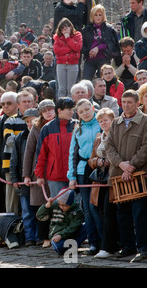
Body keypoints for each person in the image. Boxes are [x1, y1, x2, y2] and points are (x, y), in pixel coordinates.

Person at [105, 90, 147, 262]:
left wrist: (131, 167)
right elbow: (109, 147)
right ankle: (128, 247)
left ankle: (143, 248)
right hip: (118, 176)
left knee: (140, 213)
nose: (126, 105)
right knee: (122, 213)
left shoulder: (145, 121)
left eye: (130, 102)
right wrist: (121, 165)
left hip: (139, 175)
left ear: (137, 103)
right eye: (124, 101)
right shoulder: (116, 122)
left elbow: (146, 147)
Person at [67, 99, 102, 255]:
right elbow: (72, 154)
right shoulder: (77, 130)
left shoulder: (100, 124)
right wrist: (72, 176)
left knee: (98, 207)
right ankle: (93, 243)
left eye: (87, 109)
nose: (85, 113)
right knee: (87, 209)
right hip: (83, 170)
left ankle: (106, 241)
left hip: (99, 167)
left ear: (93, 108)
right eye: (81, 112)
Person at [22, 99, 56, 248]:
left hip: (57, 170)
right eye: (45, 110)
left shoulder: (62, 124)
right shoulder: (36, 128)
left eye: (50, 109)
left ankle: (57, 234)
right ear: (41, 113)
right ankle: (43, 237)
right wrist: (27, 174)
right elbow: (29, 152)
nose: (48, 112)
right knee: (42, 207)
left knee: (57, 204)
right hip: (40, 172)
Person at [88, 108, 120, 259]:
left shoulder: (118, 136)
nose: (103, 123)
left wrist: (111, 161)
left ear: (113, 120)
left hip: (114, 179)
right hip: (100, 179)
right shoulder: (98, 138)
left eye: (105, 120)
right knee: (100, 210)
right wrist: (98, 161)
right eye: (100, 121)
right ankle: (108, 244)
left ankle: (108, 246)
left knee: (110, 212)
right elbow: (90, 159)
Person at [35, 97, 77, 198]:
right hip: (55, 177)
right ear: (59, 110)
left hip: (75, 175)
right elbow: (40, 154)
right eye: (69, 109)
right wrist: (39, 175)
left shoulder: (77, 125)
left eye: (72, 109)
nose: (72, 112)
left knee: (76, 208)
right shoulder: (47, 128)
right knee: (58, 207)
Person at [9, 108, 39, 246]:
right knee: (27, 212)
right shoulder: (20, 137)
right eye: (27, 121)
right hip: (24, 181)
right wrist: (15, 178)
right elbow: (14, 159)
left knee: (40, 211)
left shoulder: (42, 134)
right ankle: (29, 238)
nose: (30, 123)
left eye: (33, 120)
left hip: (38, 181)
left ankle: (40, 236)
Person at [36, 188, 86, 255]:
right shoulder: (55, 205)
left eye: (64, 205)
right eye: (60, 204)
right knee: (59, 247)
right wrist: (46, 206)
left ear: (70, 203)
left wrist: (62, 235)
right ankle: (71, 246)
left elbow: (73, 226)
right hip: (56, 233)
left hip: (71, 233)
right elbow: (40, 216)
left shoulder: (77, 210)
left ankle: (73, 245)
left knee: (87, 226)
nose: (62, 207)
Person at [82, 5, 121, 80]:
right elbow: (82, 44)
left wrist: (98, 48)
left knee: (103, 81)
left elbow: (112, 44)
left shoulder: (109, 29)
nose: (98, 17)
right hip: (90, 59)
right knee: (86, 81)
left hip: (104, 58)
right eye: (96, 15)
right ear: (92, 16)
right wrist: (88, 52)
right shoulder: (86, 29)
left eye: (100, 15)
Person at [53, 18, 83, 98]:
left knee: (71, 88)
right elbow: (57, 51)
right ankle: (61, 105)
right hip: (61, 64)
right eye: (62, 30)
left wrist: (68, 38)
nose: (64, 31)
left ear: (70, 27)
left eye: (66, 29)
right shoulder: (57, 37)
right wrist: (70, 49)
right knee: (62, 88)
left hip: (73, 64)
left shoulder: (77, 35)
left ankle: (70, 105)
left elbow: (77, 47)